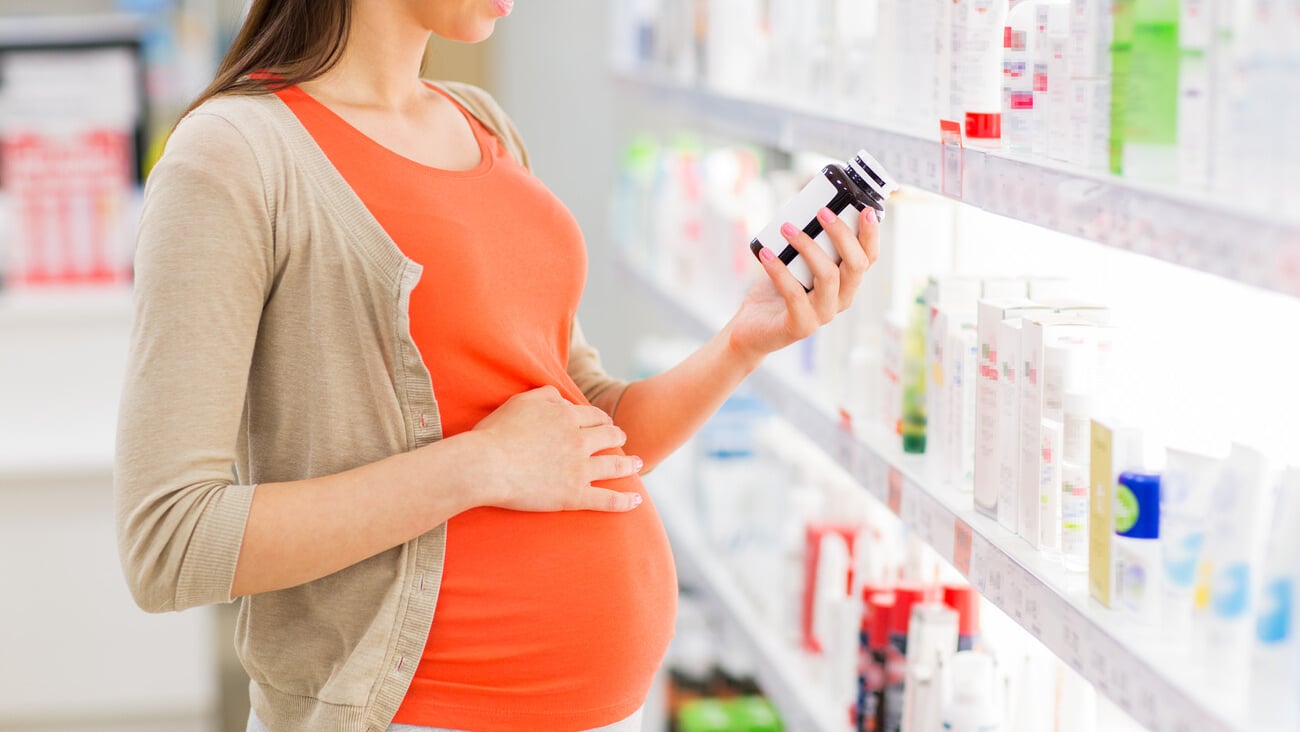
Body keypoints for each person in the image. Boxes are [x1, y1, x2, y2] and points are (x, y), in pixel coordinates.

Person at [113, 1, 882, 731]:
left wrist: (742, 342)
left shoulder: (482, 126)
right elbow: (171, 540)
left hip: (610, 708)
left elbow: (584, 433)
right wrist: (478, 466)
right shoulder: (232, 155)